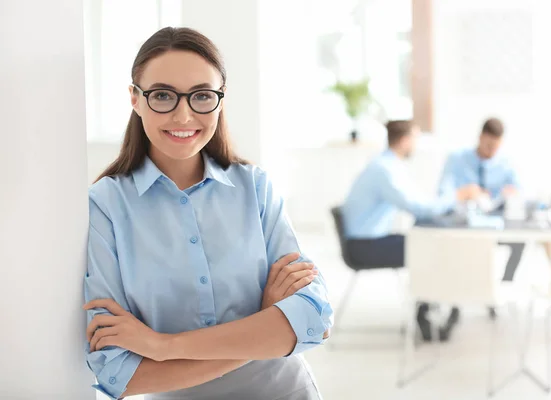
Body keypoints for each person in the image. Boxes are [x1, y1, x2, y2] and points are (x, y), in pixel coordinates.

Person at [83, 27, 333, 400]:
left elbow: (313, 320)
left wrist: (162, 346)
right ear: (135, 99)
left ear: (220, 99)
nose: (183, 116)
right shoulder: (105, 205)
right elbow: (118, 374)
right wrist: (261, 328)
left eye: (201, 96)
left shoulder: (257, 188)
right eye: (163, 95)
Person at [341, 120, 480, 340]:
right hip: (364, 247)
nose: (416, 145)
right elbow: (418, 208)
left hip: (368, 240)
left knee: (430, 243)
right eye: (415, 139)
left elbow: (419, 203)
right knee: (432, 247)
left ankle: (433, 309)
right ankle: (430, 313)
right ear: (405, 140)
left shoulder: (388, 165)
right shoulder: (384, 170)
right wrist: (457, 196)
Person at [438, 118, 526, 311]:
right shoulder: (457, 159)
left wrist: (512, 193)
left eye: (496, 147)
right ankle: (454, 302)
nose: (491, 152)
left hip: (494, 223)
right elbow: (442, 196)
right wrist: (462, 194)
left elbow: (520, 192)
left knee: (519, 241)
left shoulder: (505, 163)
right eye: (488, 146)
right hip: (463, 224)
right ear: (480, 137)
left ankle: (502, 288)